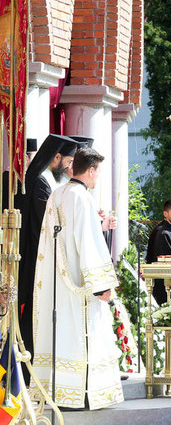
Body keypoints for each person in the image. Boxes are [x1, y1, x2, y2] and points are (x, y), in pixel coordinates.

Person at [31, 147, 123, 409]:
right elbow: (87, 241)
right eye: (98, 173)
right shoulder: (82, 197)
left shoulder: (57, 194)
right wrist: (101, 285)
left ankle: (61, 391)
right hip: (80, 285)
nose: (98, 178)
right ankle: (82, 393)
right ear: (91, 170)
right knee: (83, 335)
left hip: (57, 282)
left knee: (63, 336)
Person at [17, 134, 80, 383]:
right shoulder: (41, 182)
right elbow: (47, 224)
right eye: (68, 162)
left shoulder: (44, 180)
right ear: (56, 157)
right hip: (34, 259)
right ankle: (28, 371)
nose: (68, 168)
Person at [145, 199, 171, 304]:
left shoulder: (170, 229)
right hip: (164, 282)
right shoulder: (164, 232)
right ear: (165, 213)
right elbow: (169, 259)